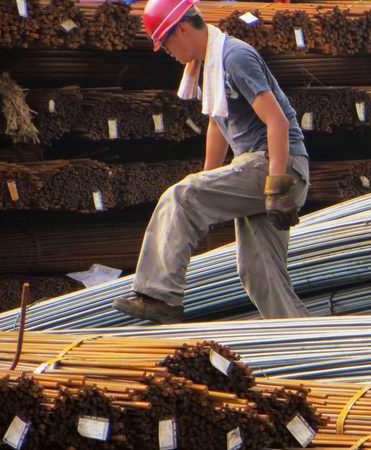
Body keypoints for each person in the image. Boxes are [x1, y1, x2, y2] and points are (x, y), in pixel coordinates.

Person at [112, 0, 310, 323]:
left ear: (182, 30)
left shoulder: (234, 58)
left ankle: (159, 295)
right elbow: (218, 123)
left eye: (165, 44)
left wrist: (277, 186)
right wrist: (208, 180)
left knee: (181, 195)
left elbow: (278, 122)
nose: (167, 52)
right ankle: (303, 341)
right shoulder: (209, 66)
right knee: (258, 272)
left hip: (278, 165)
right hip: (261, 167)